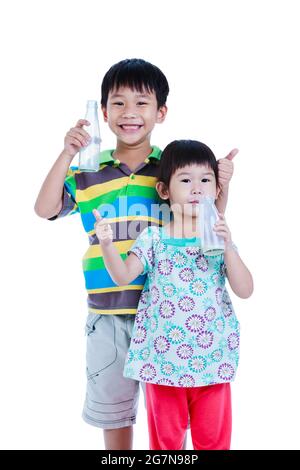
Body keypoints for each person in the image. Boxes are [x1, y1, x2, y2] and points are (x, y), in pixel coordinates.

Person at [34, 58, 237, 450]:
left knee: (172, 418)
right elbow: (44, 209)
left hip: (170, 316)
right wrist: (66, 155)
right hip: (109, 311)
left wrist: (223, 188)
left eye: (142, 103)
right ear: (105, 112)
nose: (130, 113)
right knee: (115, 413)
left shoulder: (174, 170)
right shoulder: (87, 173)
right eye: (119, 103)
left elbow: (206, 228)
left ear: (161, 112)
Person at [93, 139, 253, 450]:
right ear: (165, 191)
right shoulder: (153, 237)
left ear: (217, 190)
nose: (197, 189)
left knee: (214, 443)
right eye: (185, 180)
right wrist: (108, 246)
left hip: (212, 364)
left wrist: (229, 245)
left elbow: (245, 289)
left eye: (206, 180)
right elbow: (123, 275)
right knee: (165, 445)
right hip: (162, 365)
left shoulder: (217, 238)